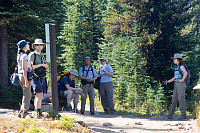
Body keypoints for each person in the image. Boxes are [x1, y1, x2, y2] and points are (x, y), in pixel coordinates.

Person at [164, 53, 188, 120]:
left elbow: (186, 73)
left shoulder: (181, 66)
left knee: (181, 99)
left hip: (181, 84)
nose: (173, 60)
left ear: (178, 60)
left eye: (174, 59)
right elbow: (174, 77)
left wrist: (181, 80)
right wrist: (167, 82)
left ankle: (183, 115)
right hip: (176, 84)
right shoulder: (176, 67)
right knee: (174, 100)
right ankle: (170, 115)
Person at [28, 39, 48, 118]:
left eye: (40, 45)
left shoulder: (42, 56)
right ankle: (36, 112)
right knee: (38, 94)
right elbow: (30, 67)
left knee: (41, 94)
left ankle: (39, 111)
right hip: (34, 77)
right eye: (37, 45)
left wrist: (44, 67)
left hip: (42, 77)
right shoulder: (32, 55)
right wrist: (41, 65)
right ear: (34, 46)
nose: (39, 46)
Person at [17, 40, 32, 118]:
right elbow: (24, 68)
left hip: (21, 75)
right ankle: (25, 112)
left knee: (26, 94)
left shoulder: (20, 55)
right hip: (24, 76)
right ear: (24, 46)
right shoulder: (24, 55)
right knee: (27, 95)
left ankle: (21, 112)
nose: (28, 45)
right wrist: (26, 80)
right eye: (27, 44)